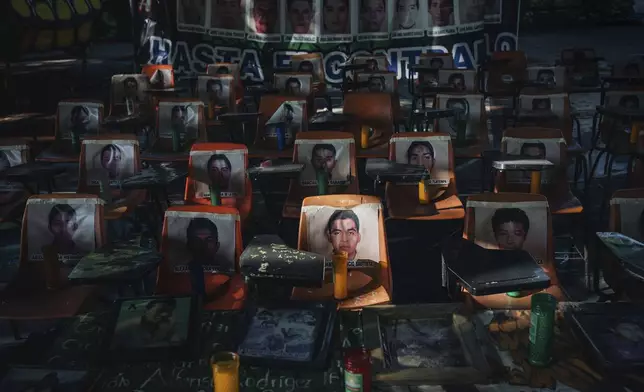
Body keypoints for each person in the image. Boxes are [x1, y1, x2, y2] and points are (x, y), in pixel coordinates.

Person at [113, 298, 181, 348]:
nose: (165, 315)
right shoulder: (125, 328)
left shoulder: (168, 326)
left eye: (169, 311)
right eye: (161, 310)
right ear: (147, 310)